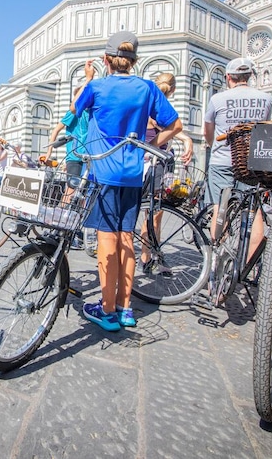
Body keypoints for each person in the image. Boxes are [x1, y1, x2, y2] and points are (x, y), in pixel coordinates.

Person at [73, 31, 182, 331]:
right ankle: (125, 309)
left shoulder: (96, 86)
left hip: (104, 172)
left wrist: (88, 76)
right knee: (126, 238)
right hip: (133, 173)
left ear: (107, 59)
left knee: (106, 239)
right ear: (134, 61)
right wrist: (151, 146)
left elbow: (74, 110)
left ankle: (106, 311)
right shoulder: (147, 88)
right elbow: (175, 125)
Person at [203, 57, 272, 264]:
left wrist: (213, 145)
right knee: (254, 210)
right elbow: (264, 127)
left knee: (219, 208)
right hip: (251, 162)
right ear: (250, 76)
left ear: (228, 77)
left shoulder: (217, 99)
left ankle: (220, 263)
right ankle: (248, 267)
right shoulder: (266, 98)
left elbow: (209, 129)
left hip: (222, 160)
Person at [140, 73, 193, 272]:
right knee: (154, 214)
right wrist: (186, 140)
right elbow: (167, 127)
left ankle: (151, 255)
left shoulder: (148, 105)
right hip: (156, 164)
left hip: (149, 164)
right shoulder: (157, 109)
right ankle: (148, 256)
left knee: (149, 213)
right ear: (173, 90)